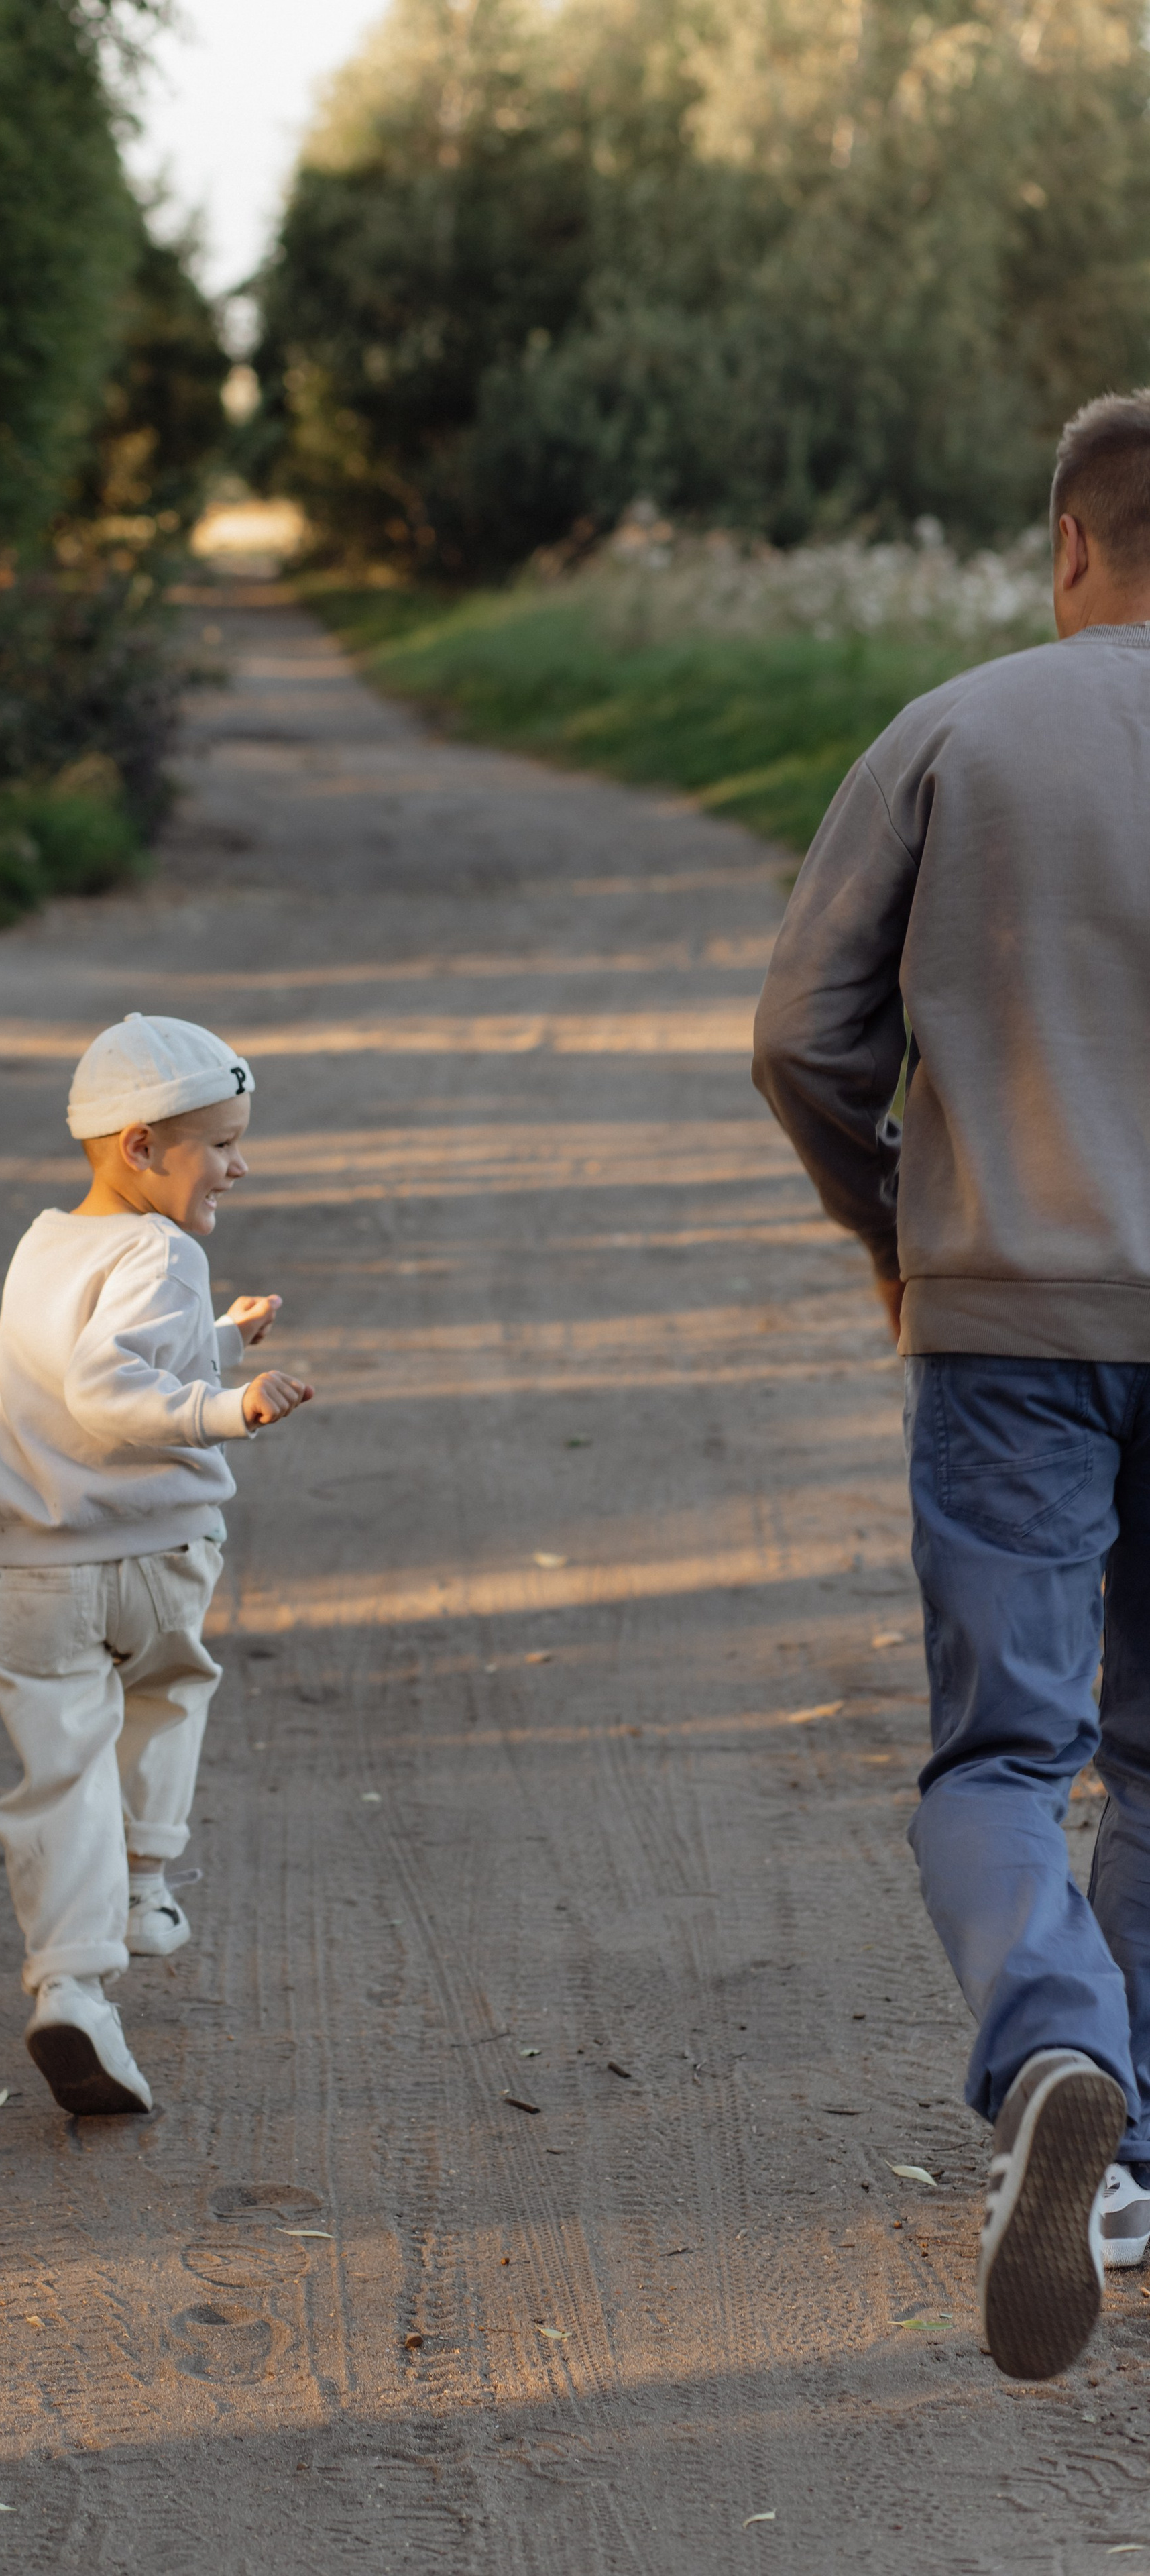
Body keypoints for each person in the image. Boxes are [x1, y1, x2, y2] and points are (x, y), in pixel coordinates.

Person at [753, 390, 1150, 2383]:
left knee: (1007, 1756)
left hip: (1012, 1324)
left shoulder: (961, 730)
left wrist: (894, 1227)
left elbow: (802, 1036)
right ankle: (1135, 2148)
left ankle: (1059, 2051)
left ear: (1069, 543)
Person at [0, 1013, 314, 2116]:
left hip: (27, 1571)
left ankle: (71, 1987)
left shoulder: (45, 1245)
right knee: (168, 1692)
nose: (239, 1164)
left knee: (58, 1776)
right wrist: (228, 1405)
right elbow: (111, 1395)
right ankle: (146, 1884)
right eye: (220, 1142)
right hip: (151, 1557)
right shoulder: (166, 1248)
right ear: (141, 1147)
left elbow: (74, 1367)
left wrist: (214, 1340)